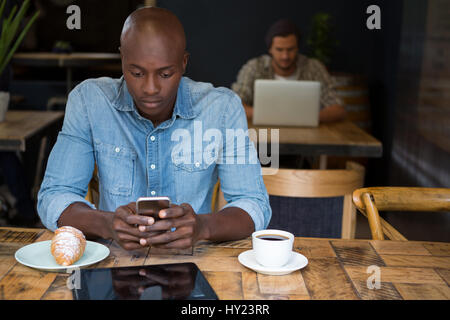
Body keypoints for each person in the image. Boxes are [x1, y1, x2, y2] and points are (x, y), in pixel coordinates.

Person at [37, 7, 271, 250]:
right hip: (111, 263)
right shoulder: (89, 101)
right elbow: (54, 196)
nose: (150, 88)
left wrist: (203, 227)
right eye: (136, 73)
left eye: (165, 74)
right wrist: (106, 224)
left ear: (183, 62)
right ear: (122, 60)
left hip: (193, 263)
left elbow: (252, 204)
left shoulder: (222, 109)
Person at [232, 19, 346, 123]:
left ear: (297, 48)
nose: (285, 56)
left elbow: (338, 108)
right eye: (279, 49)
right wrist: (264, 115)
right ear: (270, 49)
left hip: (307, 136)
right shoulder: (254, 67)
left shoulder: (314, 67)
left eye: (290, 49)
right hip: (266, 135)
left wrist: (309, 118)